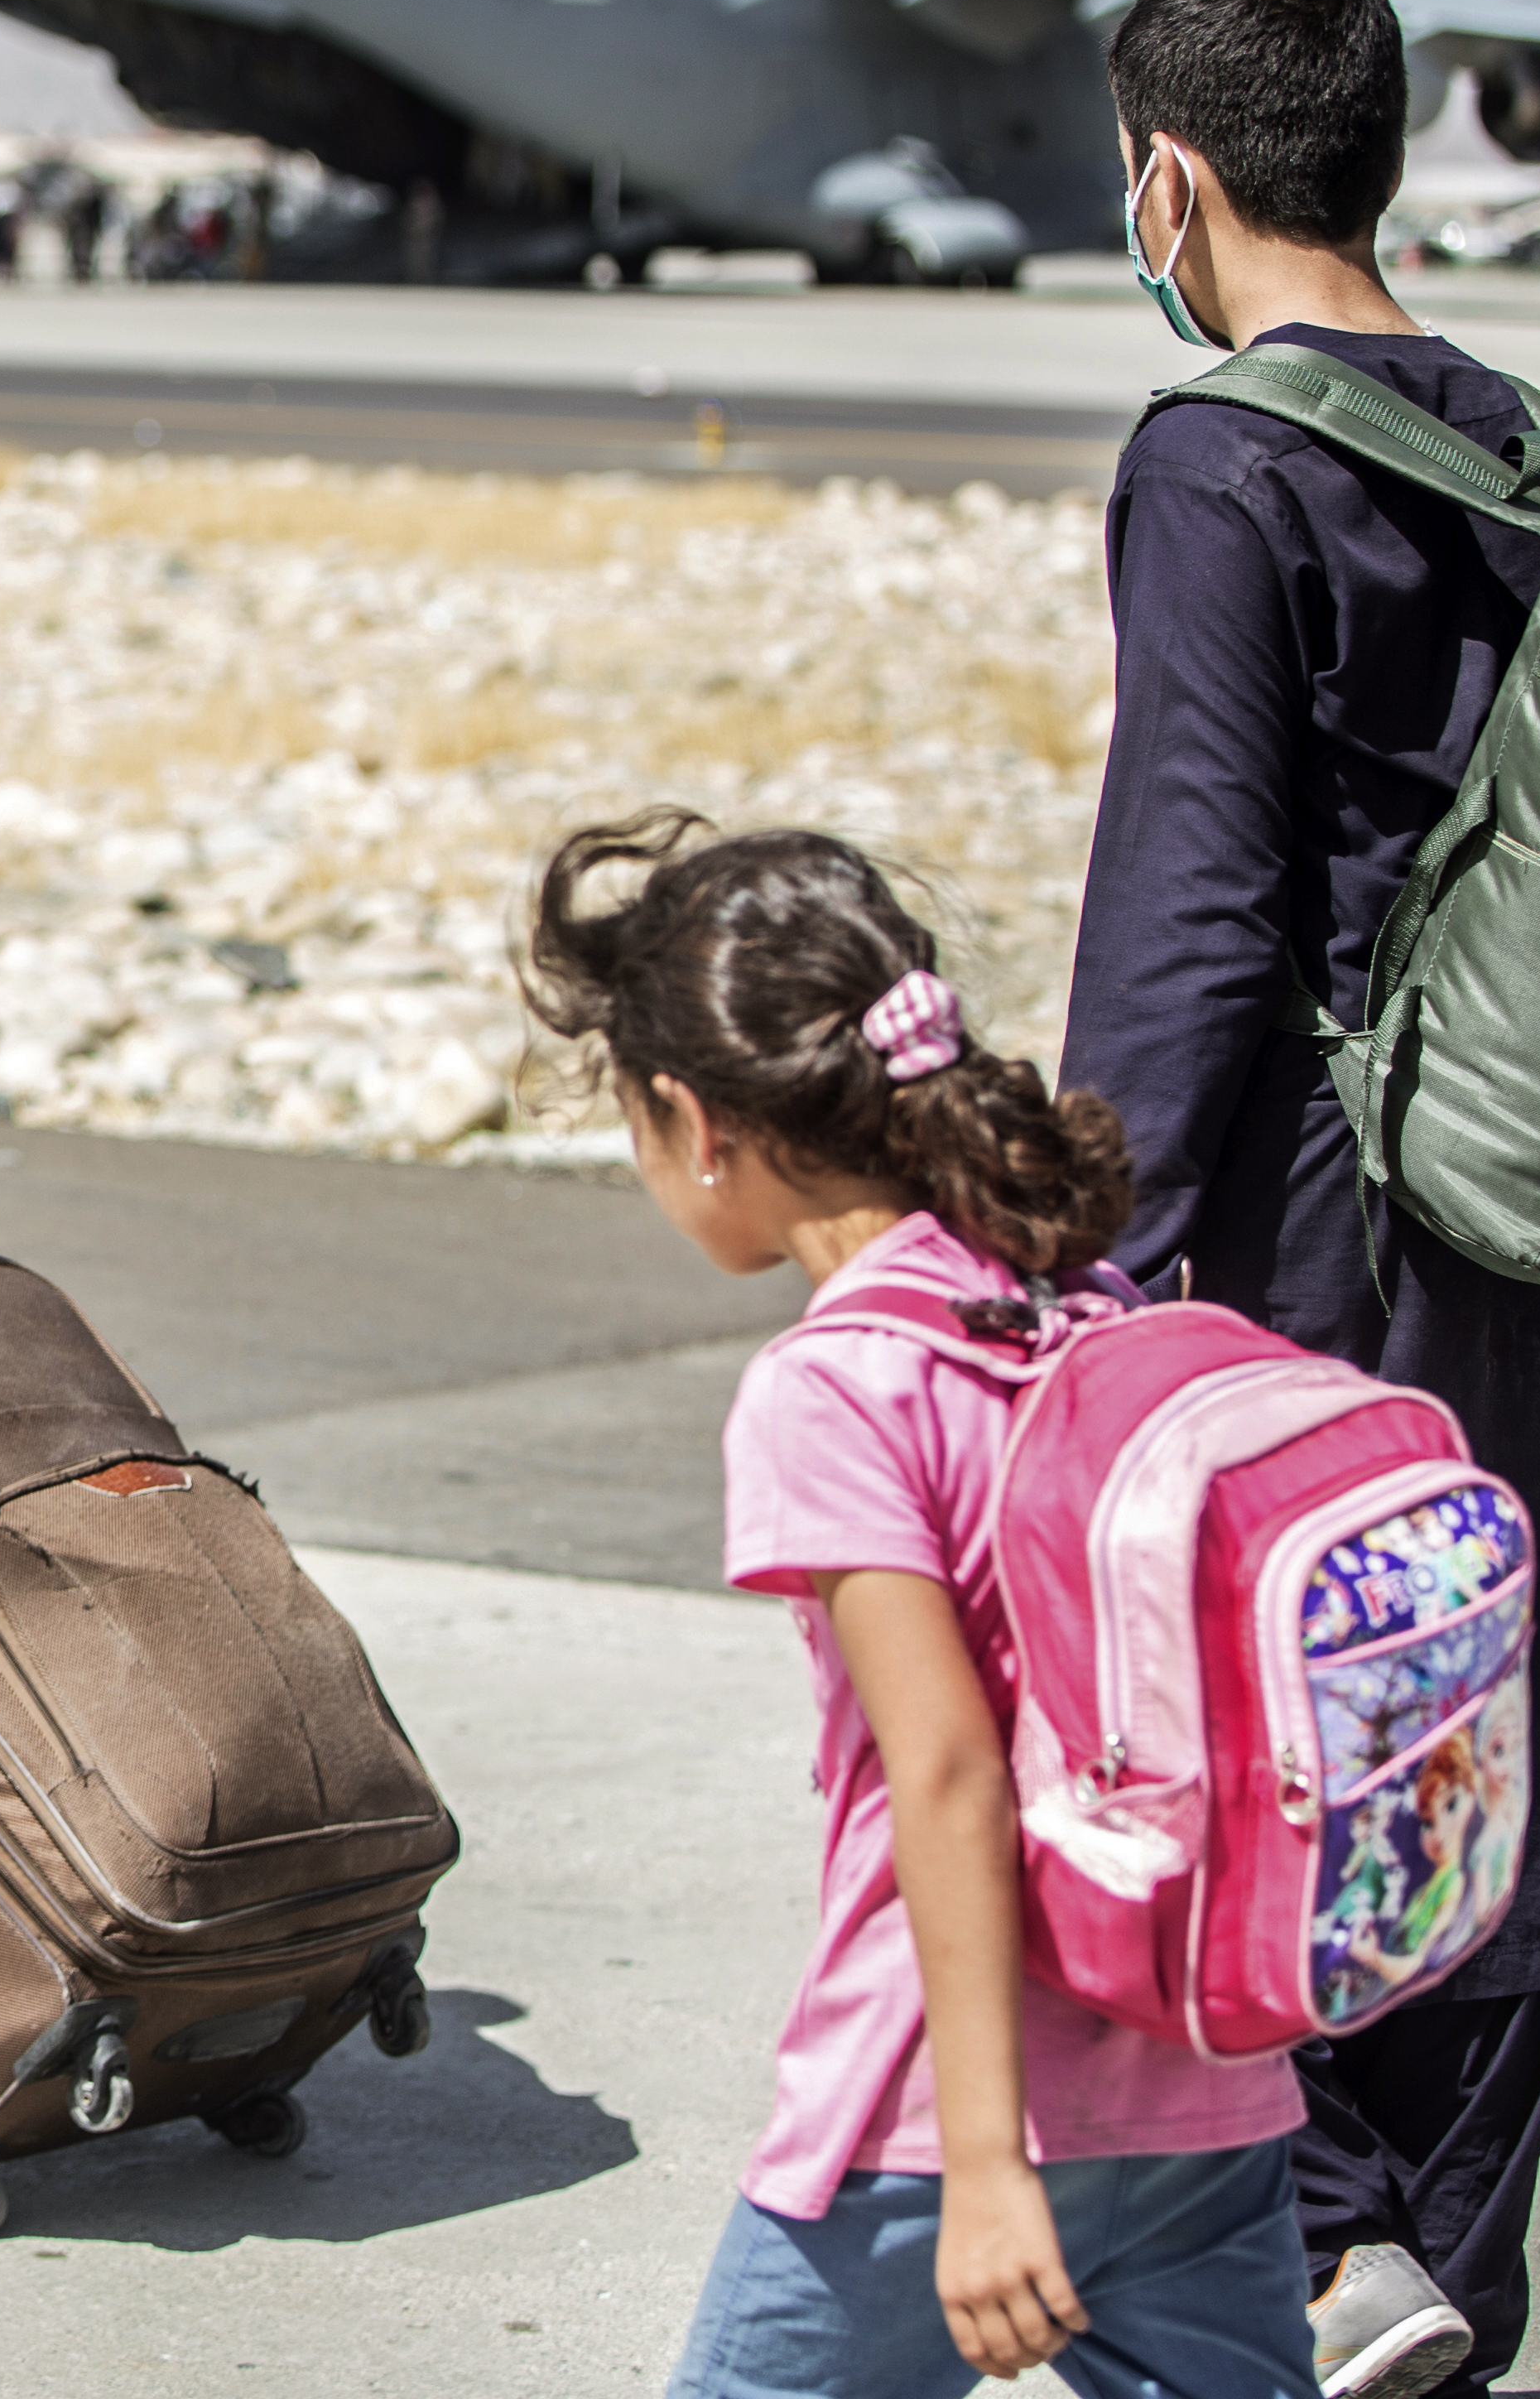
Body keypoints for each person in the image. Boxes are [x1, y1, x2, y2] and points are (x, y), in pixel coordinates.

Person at [517, 815, 1320, 2399]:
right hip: (1199, 2076)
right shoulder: (1070, 1306)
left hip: (930, 2113)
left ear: (691, 1120)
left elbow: (944, 1771)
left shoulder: (835, 1387)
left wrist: (982, 2165)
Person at [1056, 0, 1540, 2399]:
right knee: (1477, 1726)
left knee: (1278, 1738)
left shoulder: (1224, 458)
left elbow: (1194, 905)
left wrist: (1094, 1263)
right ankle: (1454, 2250)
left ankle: (1336, 2260)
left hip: (1317, 1237)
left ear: (1174, 174)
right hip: (1521, 1209)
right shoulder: (1518, 445)